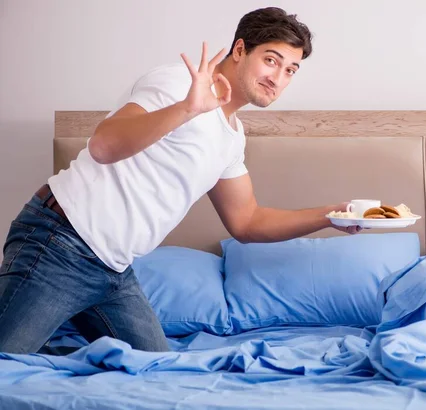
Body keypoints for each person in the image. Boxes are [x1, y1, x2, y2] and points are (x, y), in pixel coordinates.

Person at [0, 7, 360, 354]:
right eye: (271, 60)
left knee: (157, 373)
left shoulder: (232, 137)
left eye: (290, 70)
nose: (277, 78)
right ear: (240, 50)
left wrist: (331, 215)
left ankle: (48, 351)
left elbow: (247, 222)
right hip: (61, 241)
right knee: (6, 362)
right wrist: (188, 108)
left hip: (114, 271)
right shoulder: (178, 84)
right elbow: (103, 145)